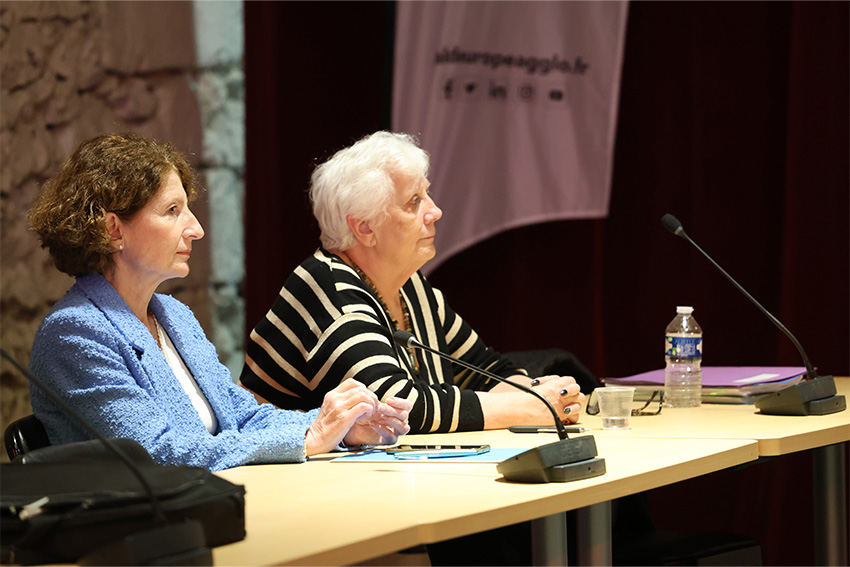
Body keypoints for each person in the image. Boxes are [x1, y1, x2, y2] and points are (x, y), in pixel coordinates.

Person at [26, 132, 411, 473]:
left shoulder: (175, 316)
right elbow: (155, 456)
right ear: (113, 230)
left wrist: (338, 425)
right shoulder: (74, 335)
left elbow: (242, 418)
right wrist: (309, 438)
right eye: (172, 211)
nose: (196, 228)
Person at [240, 131, 586, 435]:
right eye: (414, 202)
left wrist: (550, 397)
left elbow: (487, 371)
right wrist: (529, 406)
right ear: (365, 228)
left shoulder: (411, 287)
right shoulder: (328, 289)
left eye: (427, 195)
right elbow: (398, 406)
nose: (435, 211)